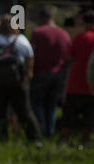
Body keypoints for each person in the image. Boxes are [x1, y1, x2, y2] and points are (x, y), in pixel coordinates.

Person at [0, 14, 42, 145]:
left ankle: (2, 141)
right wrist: (28, 78)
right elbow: (30, 61)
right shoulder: (22, 40)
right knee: (25, 111)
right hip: (17, 82)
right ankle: (34, 139)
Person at [30, 8, 71, 137]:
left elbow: (31, 55)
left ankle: (40, 132)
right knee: (52, 106)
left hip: (40, 74)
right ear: (52, 18)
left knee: (38, 104)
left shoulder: (38, 32)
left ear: (42, 18)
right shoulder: (64, 34)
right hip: (59, 74)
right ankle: (50, 133)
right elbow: (68, 57)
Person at [60, 10, 94, 145]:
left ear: (84, 23)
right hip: (91, 84)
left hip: (75, 82)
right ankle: (86, 139)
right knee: (90, 113)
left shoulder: (80, 37)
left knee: (69, 113)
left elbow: (69, 57)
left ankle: (64, 138)